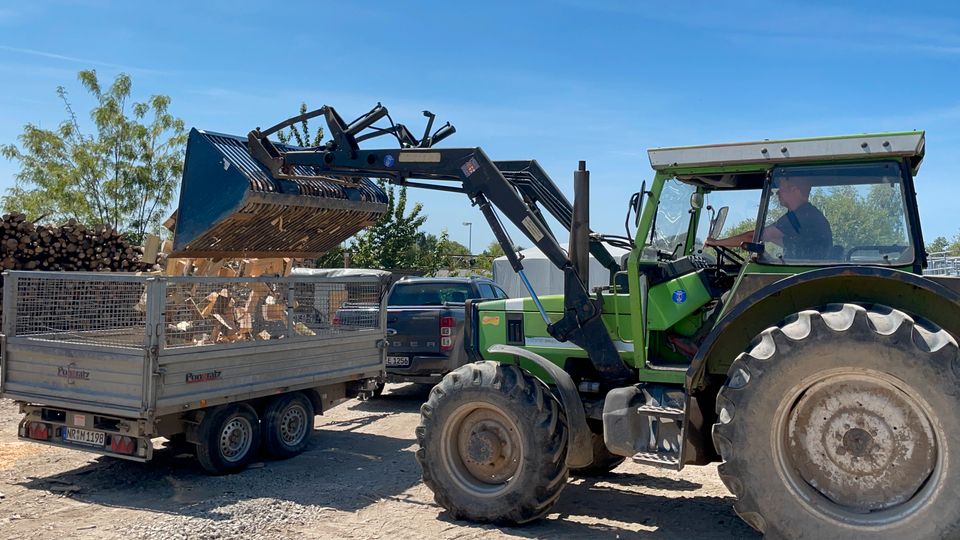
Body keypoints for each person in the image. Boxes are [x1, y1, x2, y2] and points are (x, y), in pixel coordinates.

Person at [706, 177, 833, 260]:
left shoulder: (802, 215)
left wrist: (716, 242)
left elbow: (753, 238)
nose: (777, 194)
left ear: (795, 190)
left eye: (781, 189)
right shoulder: (805, 215)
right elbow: (792, 243)